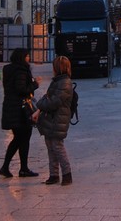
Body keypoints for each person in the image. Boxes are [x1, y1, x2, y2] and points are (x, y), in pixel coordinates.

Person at [32, 55, 75, 186]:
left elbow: (53, 102)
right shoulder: (57, 81)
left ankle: (67, 174)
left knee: (57, 147)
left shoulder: (65, 83)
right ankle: (54, 174)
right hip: (51, 119)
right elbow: (48, 96)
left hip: (58, 119)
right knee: (51, 147)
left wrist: (39, 105)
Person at [0, 48, 40, 178]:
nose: (29, 58)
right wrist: (35, 84)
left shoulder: (9, 69)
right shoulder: (21, 70)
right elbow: (21, 89)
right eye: (27, 56)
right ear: (22, 57)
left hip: (11, 107)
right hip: (21, 110)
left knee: (18, 139)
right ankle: (20, 168)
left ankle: (11, 167)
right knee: (22, 138)